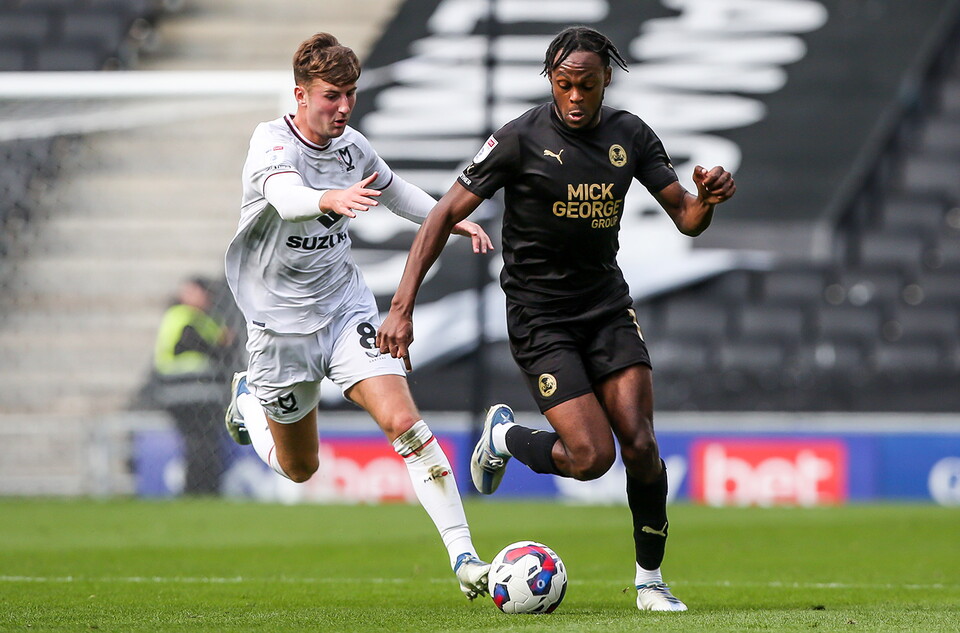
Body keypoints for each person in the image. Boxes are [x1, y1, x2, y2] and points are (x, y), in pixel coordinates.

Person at [377, 26, 736, 612]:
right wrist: (401, 306)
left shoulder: (630, 135)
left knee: (641, 444)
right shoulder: (519, 138)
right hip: (540, 318)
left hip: (606, 308)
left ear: (605, 82)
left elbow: (687, 219)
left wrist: (709, 199)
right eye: (564, 84)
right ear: (551, 81)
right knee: (592, 459)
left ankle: (650, 582)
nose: (575, 97)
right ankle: (504, 436)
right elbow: (442, 213)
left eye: (587, 85)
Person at [222, 33, 494, 600]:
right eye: (331, 96)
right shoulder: (271, 142)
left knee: (406, 426)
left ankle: (465, 557)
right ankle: (248, 404)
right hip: (279, 330)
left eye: (350, 94)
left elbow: (396, 194)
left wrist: (450, 218)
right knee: (301, 469)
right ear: (300, 94)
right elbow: (286, 197)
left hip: (344, 309)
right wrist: (330, 200)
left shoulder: (353, 147)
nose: (343, 108)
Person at [151, 276, 235, 495]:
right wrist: (219, 344)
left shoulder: (205, 320)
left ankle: (203, 489)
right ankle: (198, 489)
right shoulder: (183, 317)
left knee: (204, 444)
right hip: (185, 393)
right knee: (199, 445)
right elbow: (195, 344)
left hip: (199, 395)